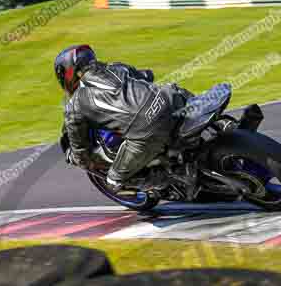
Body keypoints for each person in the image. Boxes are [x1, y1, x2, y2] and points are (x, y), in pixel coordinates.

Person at [55, 44, 192, 191]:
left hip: (147, 130)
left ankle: (174, 179)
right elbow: (147, 75)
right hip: (171, 99)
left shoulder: (75, 104)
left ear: (68, 73)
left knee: (114, 180)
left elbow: (80, 151)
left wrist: (77, 158)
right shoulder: (116, 67)